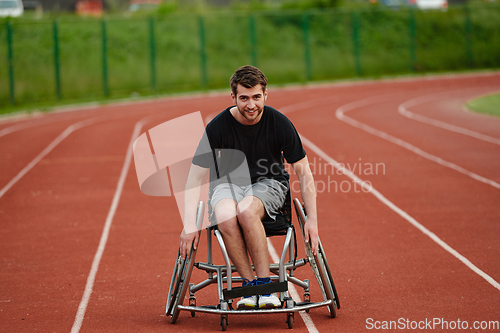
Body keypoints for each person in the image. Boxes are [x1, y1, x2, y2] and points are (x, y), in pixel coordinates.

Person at [179, 65, 318, 310]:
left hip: (270, 185)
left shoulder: (279, 123)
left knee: (245, 210)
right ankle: (250, 287)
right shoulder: (218, 127)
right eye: (244, 98)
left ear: (266, 95)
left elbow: (303, 171)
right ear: (233, 97)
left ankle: (266, 288)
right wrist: (190, 224)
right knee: (224, 214)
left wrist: (312, 220)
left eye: (256, 97)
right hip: (228, 186)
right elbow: (193, 179)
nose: (251, 105)